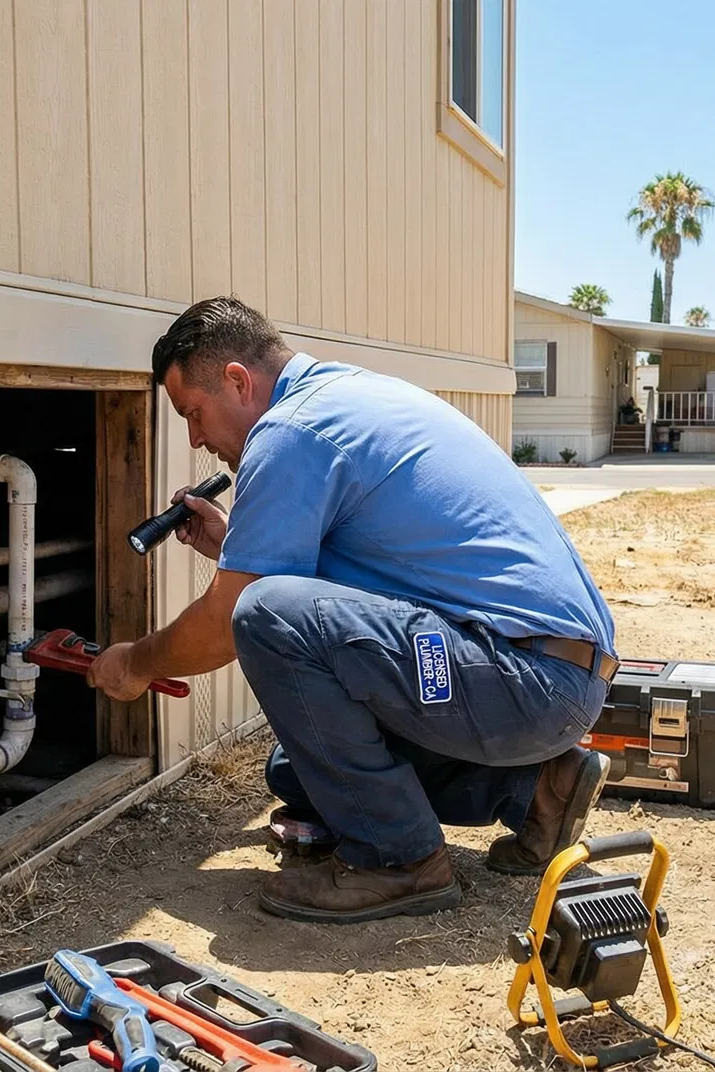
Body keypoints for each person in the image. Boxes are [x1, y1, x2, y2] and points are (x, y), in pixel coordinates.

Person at [87, 296, 618, 924]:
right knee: (298, 772)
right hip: (554, 675)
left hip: (523, 680)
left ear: (237, 380)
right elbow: (371, 589)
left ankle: (399, 862)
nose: (196, 439)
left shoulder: (289, 433)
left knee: (264, 613)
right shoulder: (347, 398)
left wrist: (137, 663)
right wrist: (239, 546)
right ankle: (535, 792)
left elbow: (238, 619)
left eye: (194, 413)